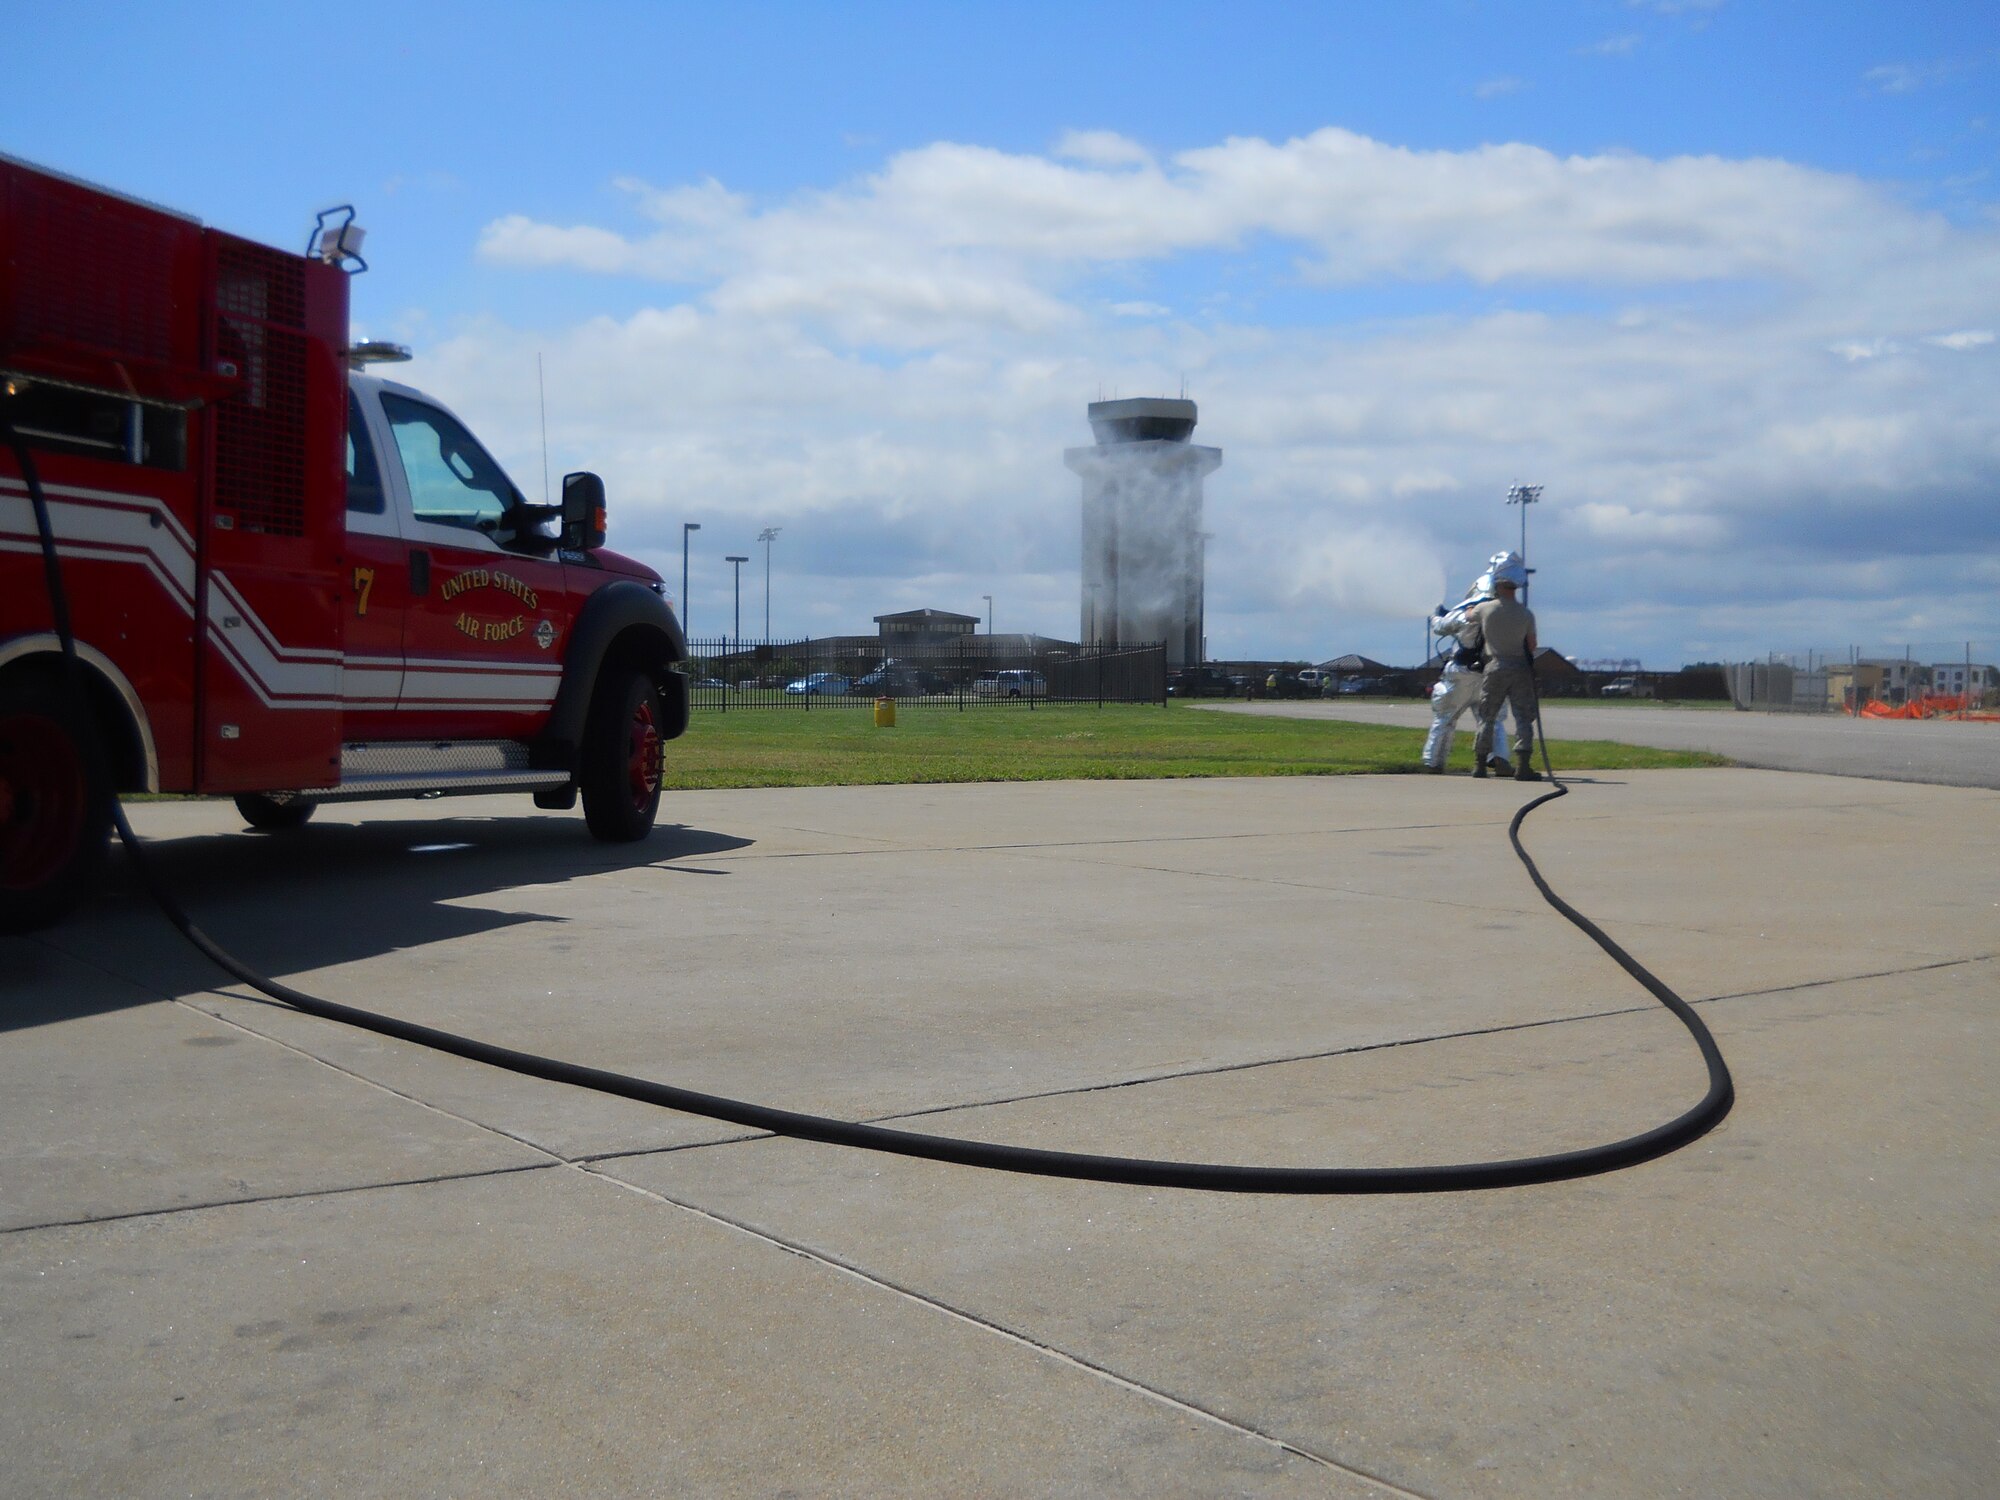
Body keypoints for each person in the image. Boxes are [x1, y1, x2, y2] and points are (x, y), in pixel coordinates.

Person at [1422, 554, 1516, 775]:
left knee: (1444, 718)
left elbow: (1441, 626)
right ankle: (1500, 757)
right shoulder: (1506, 614)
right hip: (1492, 673)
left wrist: (1437, 616)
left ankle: (1433, 761)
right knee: (1493, 720)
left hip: (1461, 673)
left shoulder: (1468, 612)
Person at [1470, 557, 1542, 781]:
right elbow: (1532, 645)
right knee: (1523, 717)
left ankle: (1480, 765)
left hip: (1495, 665)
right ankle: (1523, 765)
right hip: (1520, 667)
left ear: (1497, 585)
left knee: (1487, 716)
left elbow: (1468, 616)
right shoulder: (1526, 614)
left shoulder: (1485, 609)